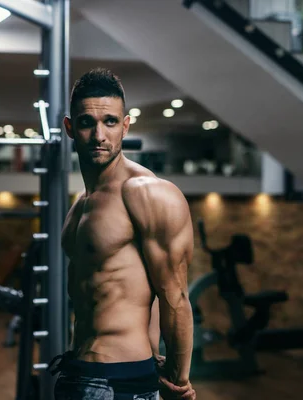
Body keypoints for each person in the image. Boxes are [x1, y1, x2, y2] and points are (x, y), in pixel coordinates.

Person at [52, 69, 196, 400]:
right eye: (87, 122)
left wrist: (178, 380)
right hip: (77, 371)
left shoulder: (146, 193)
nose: (99, 134)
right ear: (70, 128)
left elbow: (173, 294)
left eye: (110, 122)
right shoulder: (80, 204)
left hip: (120, 380)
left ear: (126, 126)